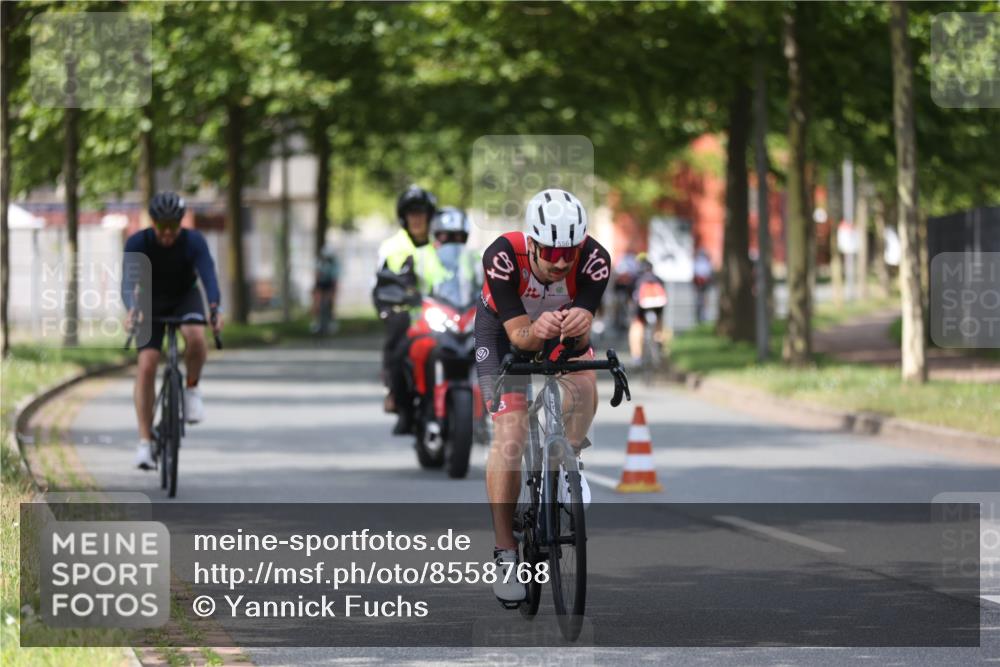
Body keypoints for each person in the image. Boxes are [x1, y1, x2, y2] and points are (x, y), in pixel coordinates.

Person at [475, 188, 611, 606]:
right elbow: (520, 337)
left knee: (586, 384)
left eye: (569, 251)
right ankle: (505, 553)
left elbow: (583, 336)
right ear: (531, 243)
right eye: (550, 250)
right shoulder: (501, 256)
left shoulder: (595, 260)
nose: (560, 261)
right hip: (503, 335)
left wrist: (575, 326)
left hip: (560, 332)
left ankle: (568, 465)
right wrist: (540, 330)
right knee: (511, 432)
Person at [122, 192, 223, 470]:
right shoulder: (137, 243)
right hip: (150, 301)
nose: (167, 232)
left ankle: (191, 389)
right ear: (153, 222)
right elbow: (128, 283)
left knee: (196, 336)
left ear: (180, 223)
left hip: (184, 297)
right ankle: (144, 443)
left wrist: (215, 307)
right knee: (146, 364)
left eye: (173, 226)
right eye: (161, 226)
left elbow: (209, 276)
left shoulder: (194, 242)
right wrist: (131, 307)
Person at [373, 186, 449, 435]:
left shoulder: (442, 247)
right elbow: (382, 284)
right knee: (397, 345)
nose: (417, 218)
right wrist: (392, 303)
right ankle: (399, 400)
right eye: (411, 213)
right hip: (408, 316)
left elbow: (458, 277)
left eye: (421, 213)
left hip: (443, 313)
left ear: (430, 216)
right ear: (404, 217)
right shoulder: (392, 247)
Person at [628, 253, 668, 366]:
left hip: (641, 304)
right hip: (658, 303)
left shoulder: (636, 279)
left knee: (637, 324)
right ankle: (659, 343)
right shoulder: (657, 279)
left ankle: (637, 356)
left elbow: (630, 295)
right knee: (659, 322)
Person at [311, 246, 340, 334]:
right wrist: (316, 288)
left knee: (331, 302)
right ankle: (316, 322)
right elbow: (317, 275)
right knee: (317, 303)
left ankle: (331, 322)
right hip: (320, 283)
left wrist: (334, 290)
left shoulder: (335, 263)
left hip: (330, 284)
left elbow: (335, 279)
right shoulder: (319, 262)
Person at [693, 248, 713, 323]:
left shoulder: (703, 262)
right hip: (699, 283)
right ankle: (700, 314)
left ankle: (703, 314)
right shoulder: (699, 262)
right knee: (701, 299)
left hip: (704, 283)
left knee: (703, 299)